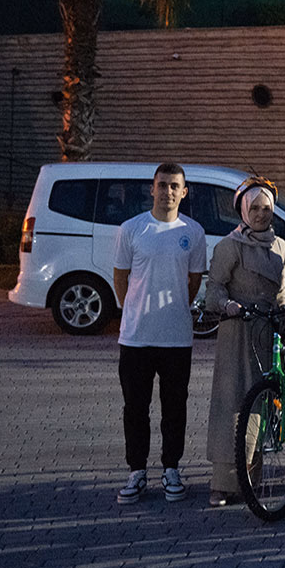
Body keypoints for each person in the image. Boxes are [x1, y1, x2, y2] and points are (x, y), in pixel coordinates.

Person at [112, 162, 207, 506]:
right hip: (136, 337)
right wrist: (135, 310)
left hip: (176, 339)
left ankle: (171, 469)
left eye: (174, 186)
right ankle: (137, 472)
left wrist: (173, 308)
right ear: (151, 189)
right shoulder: (131, 229)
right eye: (162, 184)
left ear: (184, 192)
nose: (167, 191)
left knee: (174, 407)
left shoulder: (194, 232)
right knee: (135, 408)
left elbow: (193, 283)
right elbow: (120, 278)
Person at [204, 176, 285, 507]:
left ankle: (252, 477)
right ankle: (223, 483)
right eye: (254, 207)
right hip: (238, 331)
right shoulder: (228, 247)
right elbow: (213, 288)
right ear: (242, 210)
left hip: (267, 332)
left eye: (266, 208)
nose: (261, 214)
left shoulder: (281, 247)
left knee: (262, 405)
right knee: (231, 405)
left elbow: (281, 292)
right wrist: (225, 305)